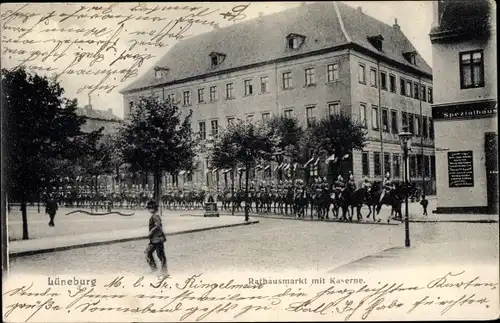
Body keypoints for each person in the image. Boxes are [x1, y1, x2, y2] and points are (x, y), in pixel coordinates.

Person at [145, 200, 168, 274]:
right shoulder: (154, 216)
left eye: (150, 208)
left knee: (160, 255)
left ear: (153, 208)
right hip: (154, 239)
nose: (149, 210)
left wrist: (150, 232)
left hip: (158, 239)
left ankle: (164, 271)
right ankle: (154, 268)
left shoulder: (155, 216)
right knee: (148, 253)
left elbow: (157, 226)